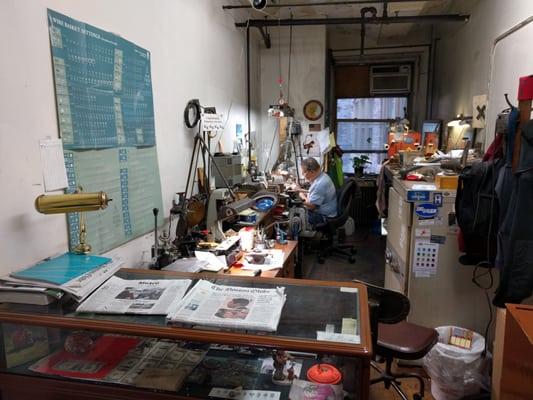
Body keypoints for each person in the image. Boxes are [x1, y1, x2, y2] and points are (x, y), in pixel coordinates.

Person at [299, 158, 337, 225]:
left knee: (296, 217)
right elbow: (314, 192)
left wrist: (300, 194)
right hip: (329, 212)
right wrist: (299, 190)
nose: (302, 174)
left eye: (304, 172)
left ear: (312, 172)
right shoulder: (322, 176)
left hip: (324, 217)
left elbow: (311, 206)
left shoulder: (320, 184)